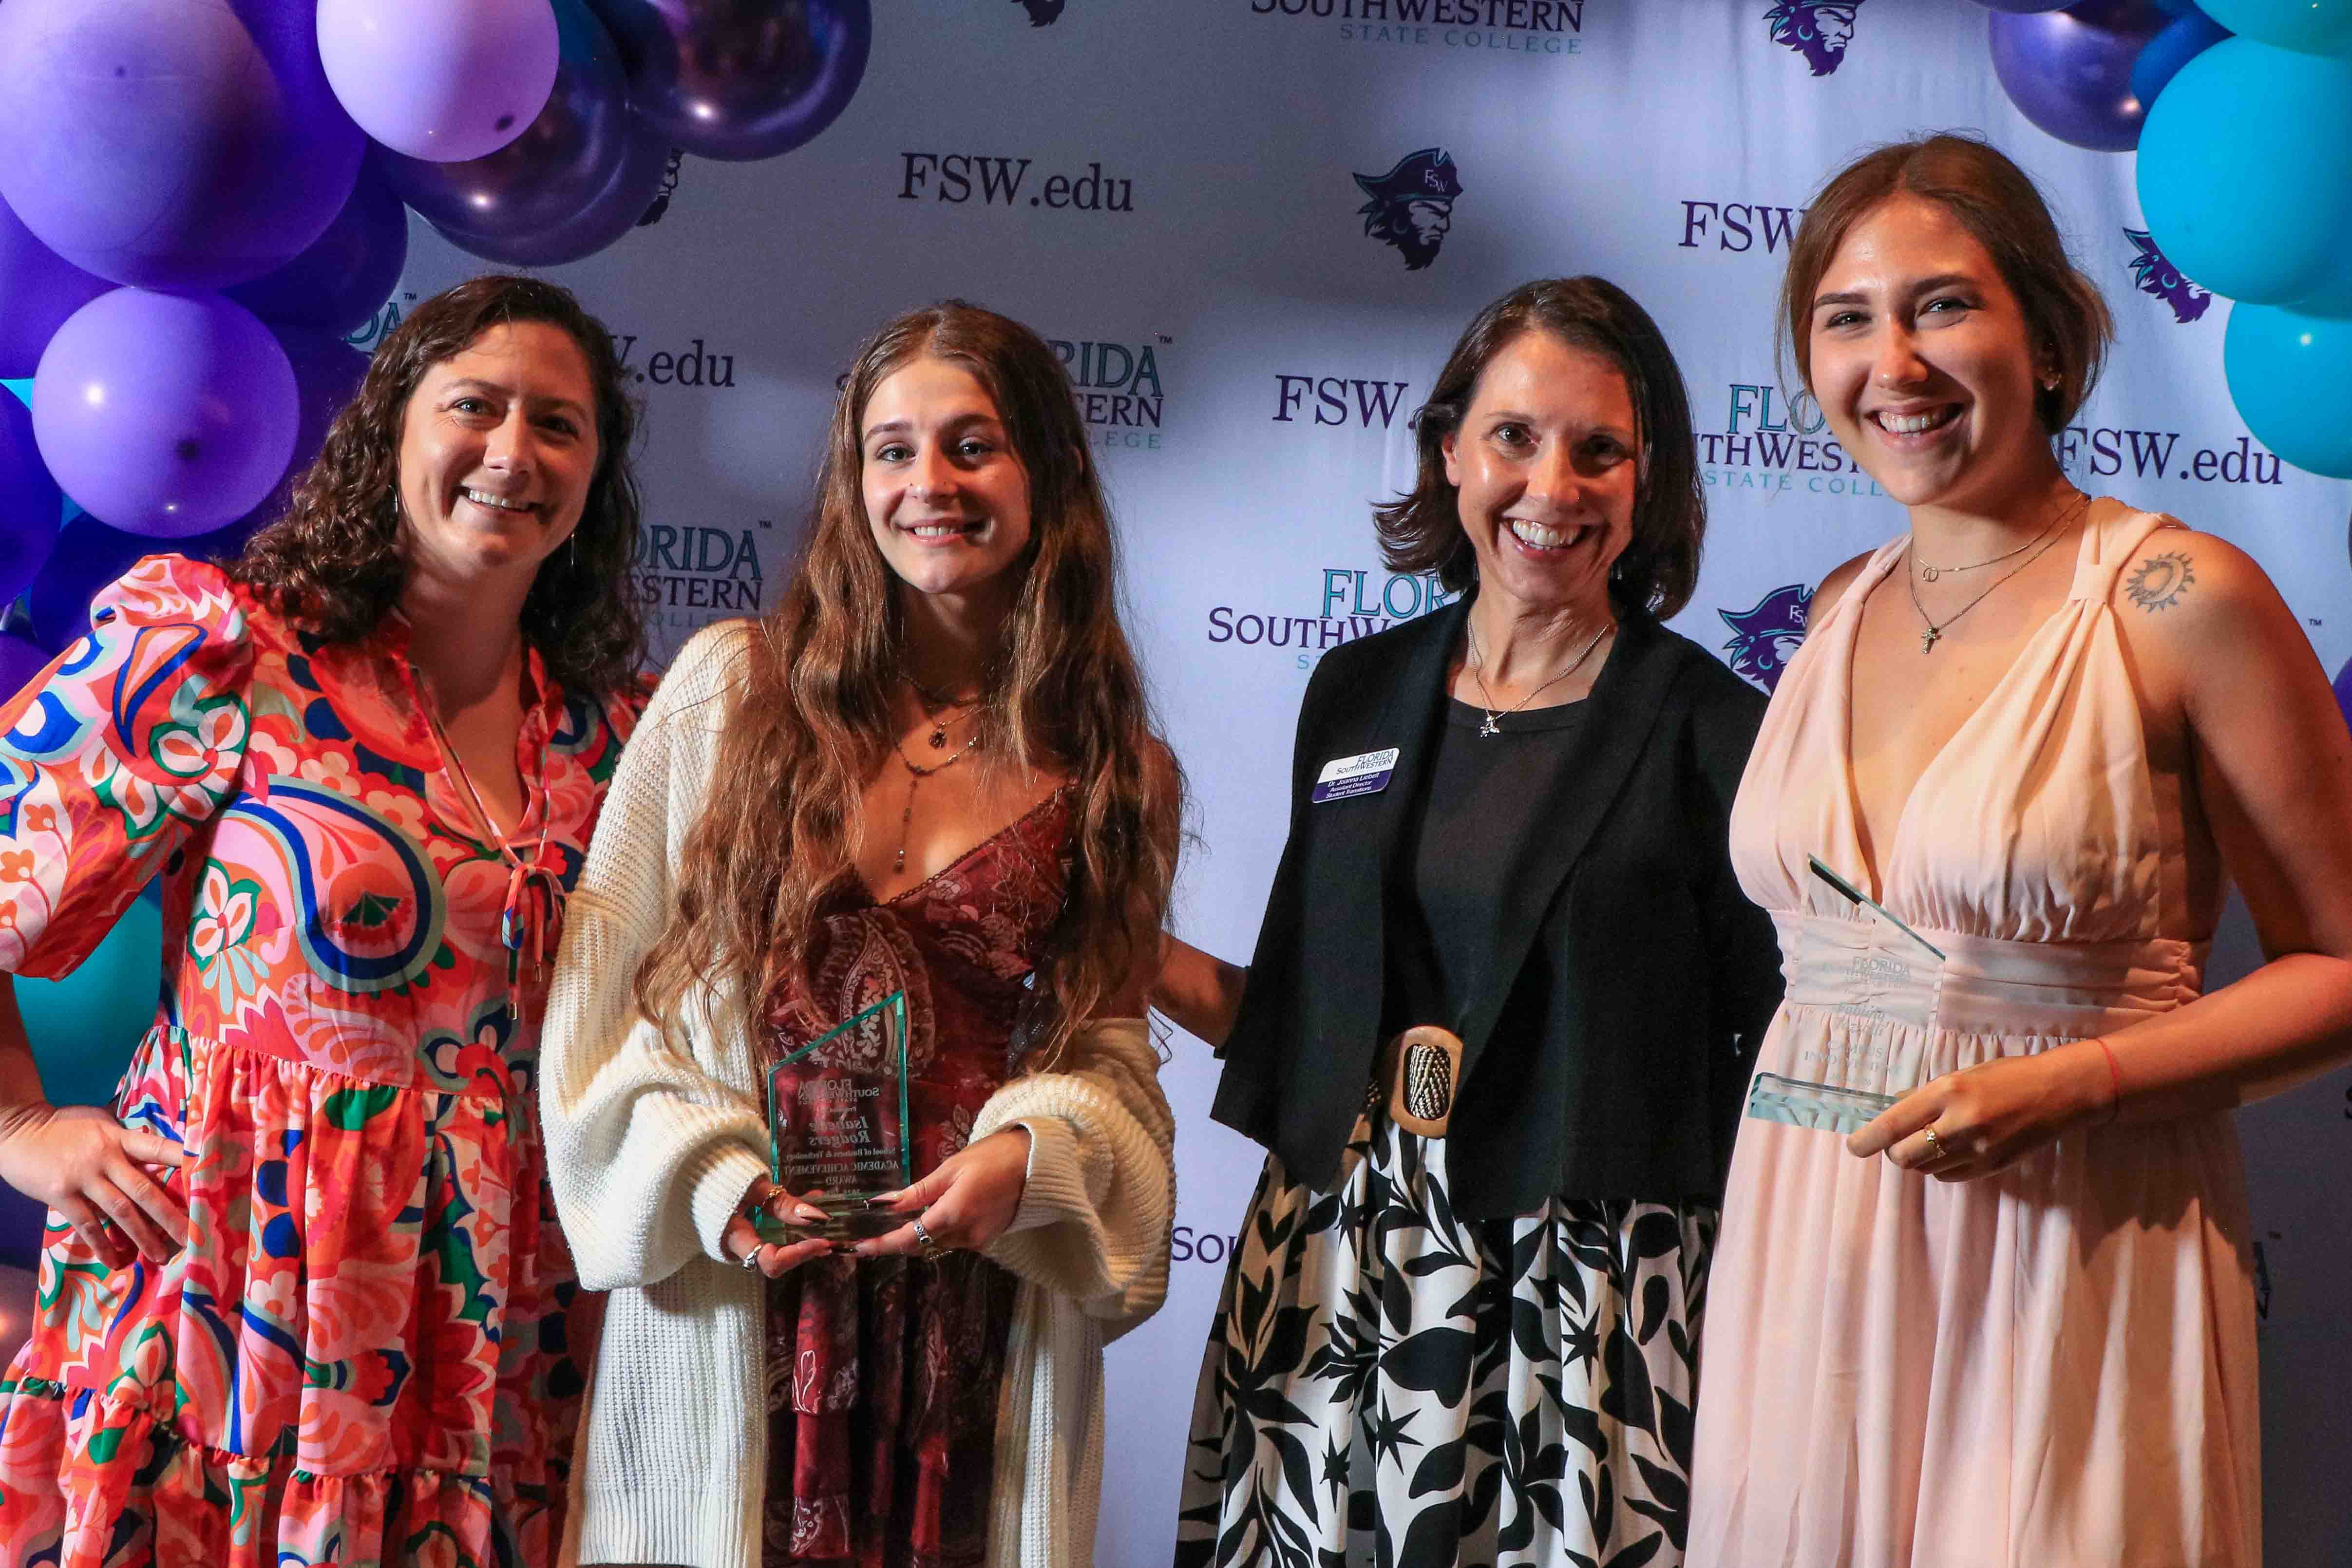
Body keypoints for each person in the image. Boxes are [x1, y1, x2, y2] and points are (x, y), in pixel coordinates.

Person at [1687, 134, 2352, 1568]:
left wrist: (2082, 1078)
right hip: (1809, 1248)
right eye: (1845, 317)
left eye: (1940, 305)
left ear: (2045, 341)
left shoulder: (2180, 596)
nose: (1894, 362)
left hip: (2074, 1248)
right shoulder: (1828, 613)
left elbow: (2343, 967)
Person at [0, 275, 651, 1566]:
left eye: (559, 425)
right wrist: (18, 1124)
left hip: (487, 1346)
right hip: (227, 1302)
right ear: (393, 432)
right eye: (476, 406)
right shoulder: (227, 652)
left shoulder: (617, 738)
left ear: (594, 479)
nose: (514, 452)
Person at [541, 301, 1184, 1568]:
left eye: (970, 445)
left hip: (969, 1325)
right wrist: (713, 1185)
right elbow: (596, 1002)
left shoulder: (1119, 775)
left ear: (1046, 476)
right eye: (892, 450)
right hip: (736, 1297)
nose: (928, 483)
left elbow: (1115, 1068)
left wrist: (1030, 1158)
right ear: (851, 479)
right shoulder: (733, 691)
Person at [1161, 277, 1784, 1568]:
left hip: (1590, 1292)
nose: (1549, 484)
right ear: (1448, 447)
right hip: (1333, 1264)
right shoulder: (1354, 692)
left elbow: (1769, 1056)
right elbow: (1294, 1013)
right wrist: (1125, 952)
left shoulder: (1718, 733)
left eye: (1596, 449)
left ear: (1645, 479)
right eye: (1511, 435)